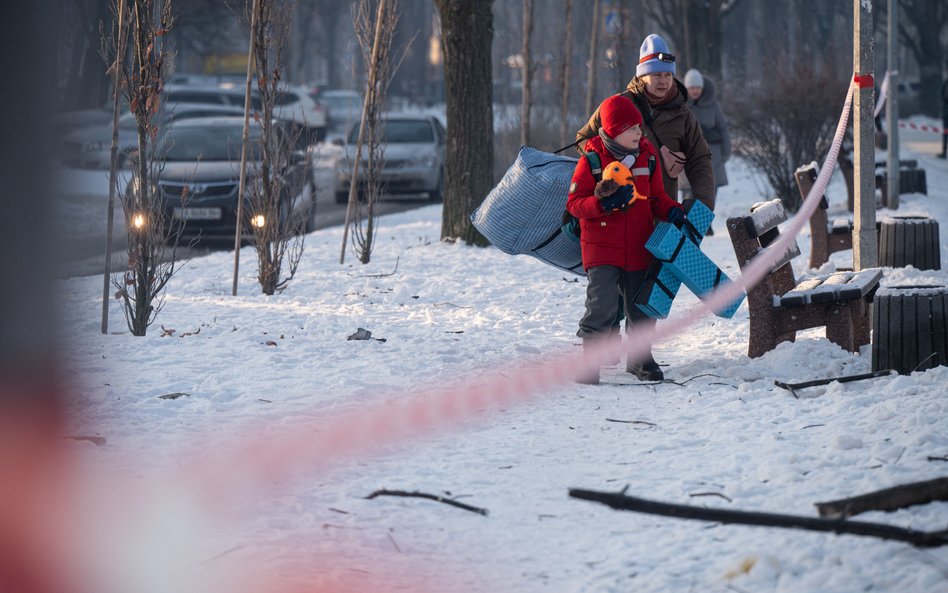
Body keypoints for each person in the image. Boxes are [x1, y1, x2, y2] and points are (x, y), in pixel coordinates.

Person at [567, 94, 686, 385]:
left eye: (639, 127)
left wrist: (674, 211)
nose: (639, 132)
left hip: (638, 246)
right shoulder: (592, 161)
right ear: (614, 131)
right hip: (601, 249)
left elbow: (657, 198)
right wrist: (602, 205)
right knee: (601, 305)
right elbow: (574, 203)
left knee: (640, 306)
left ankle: (639, 359)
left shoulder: (648, 157)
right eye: (632, 128)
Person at [577, 34, 715, 214]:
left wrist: (702, 207)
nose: (664, 81)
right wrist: (610, 161)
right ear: (642, 75)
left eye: (668, 75)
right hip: (619, 213)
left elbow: (700, 159)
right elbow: (584, 139)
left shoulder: (683, 115)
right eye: (657, 75)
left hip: (662, 213)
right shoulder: (616, 105)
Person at [680, 68, 730, 234]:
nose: (695, 90)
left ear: (702, 88)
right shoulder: (680, 106)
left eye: (697, 87)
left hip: (712, 156)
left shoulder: (713, 106)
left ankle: (704, 224)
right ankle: (689, 223)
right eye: (691, 87)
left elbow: (723, 129)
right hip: (688, 156)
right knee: (689, 192)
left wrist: (725, 152)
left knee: (709, 192)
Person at [939, 77, 948, 159]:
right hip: (946, 113)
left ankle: (944, 152)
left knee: (945, 133)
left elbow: (942, 96)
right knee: (945, 133)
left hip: (946, 113)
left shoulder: (946, 82)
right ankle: (944, 151)